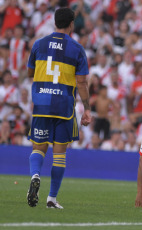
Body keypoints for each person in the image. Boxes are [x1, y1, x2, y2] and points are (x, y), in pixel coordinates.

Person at [26, 8, 91, 209]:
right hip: (64, 106)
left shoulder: (39, 44)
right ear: (71, 24)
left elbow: (30, 72)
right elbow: (81, 83)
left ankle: (35, 175)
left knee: (39, 147)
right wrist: (87, 108)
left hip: (42, 104)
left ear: (55, 22)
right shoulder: (77, 48)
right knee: (60, 153)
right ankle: (51, 199)